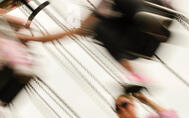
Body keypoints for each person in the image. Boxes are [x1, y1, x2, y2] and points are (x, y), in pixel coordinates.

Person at [15, 0, 174, 83]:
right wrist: (33, 38)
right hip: (138, 45)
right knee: (97, 26)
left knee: (103, 20)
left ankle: (154, 22)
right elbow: (69, 34)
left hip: (155, 17)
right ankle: (135, 74)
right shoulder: (101, 11)